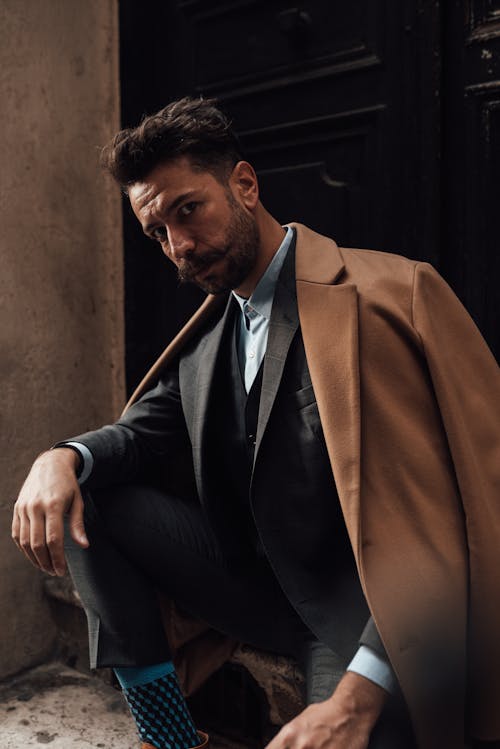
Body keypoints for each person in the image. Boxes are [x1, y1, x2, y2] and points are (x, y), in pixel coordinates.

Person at [12, 97, 500, 749]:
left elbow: (449, 512)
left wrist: (357, 697)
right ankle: (172, 737)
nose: (179, 246)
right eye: (157, 233)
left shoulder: (385, 297)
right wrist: (60, 456)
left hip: (364, 619)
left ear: (244, 184)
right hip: (260, 591)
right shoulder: (211, 334)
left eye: (188, 211)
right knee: (88, 494)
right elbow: (137, 436)